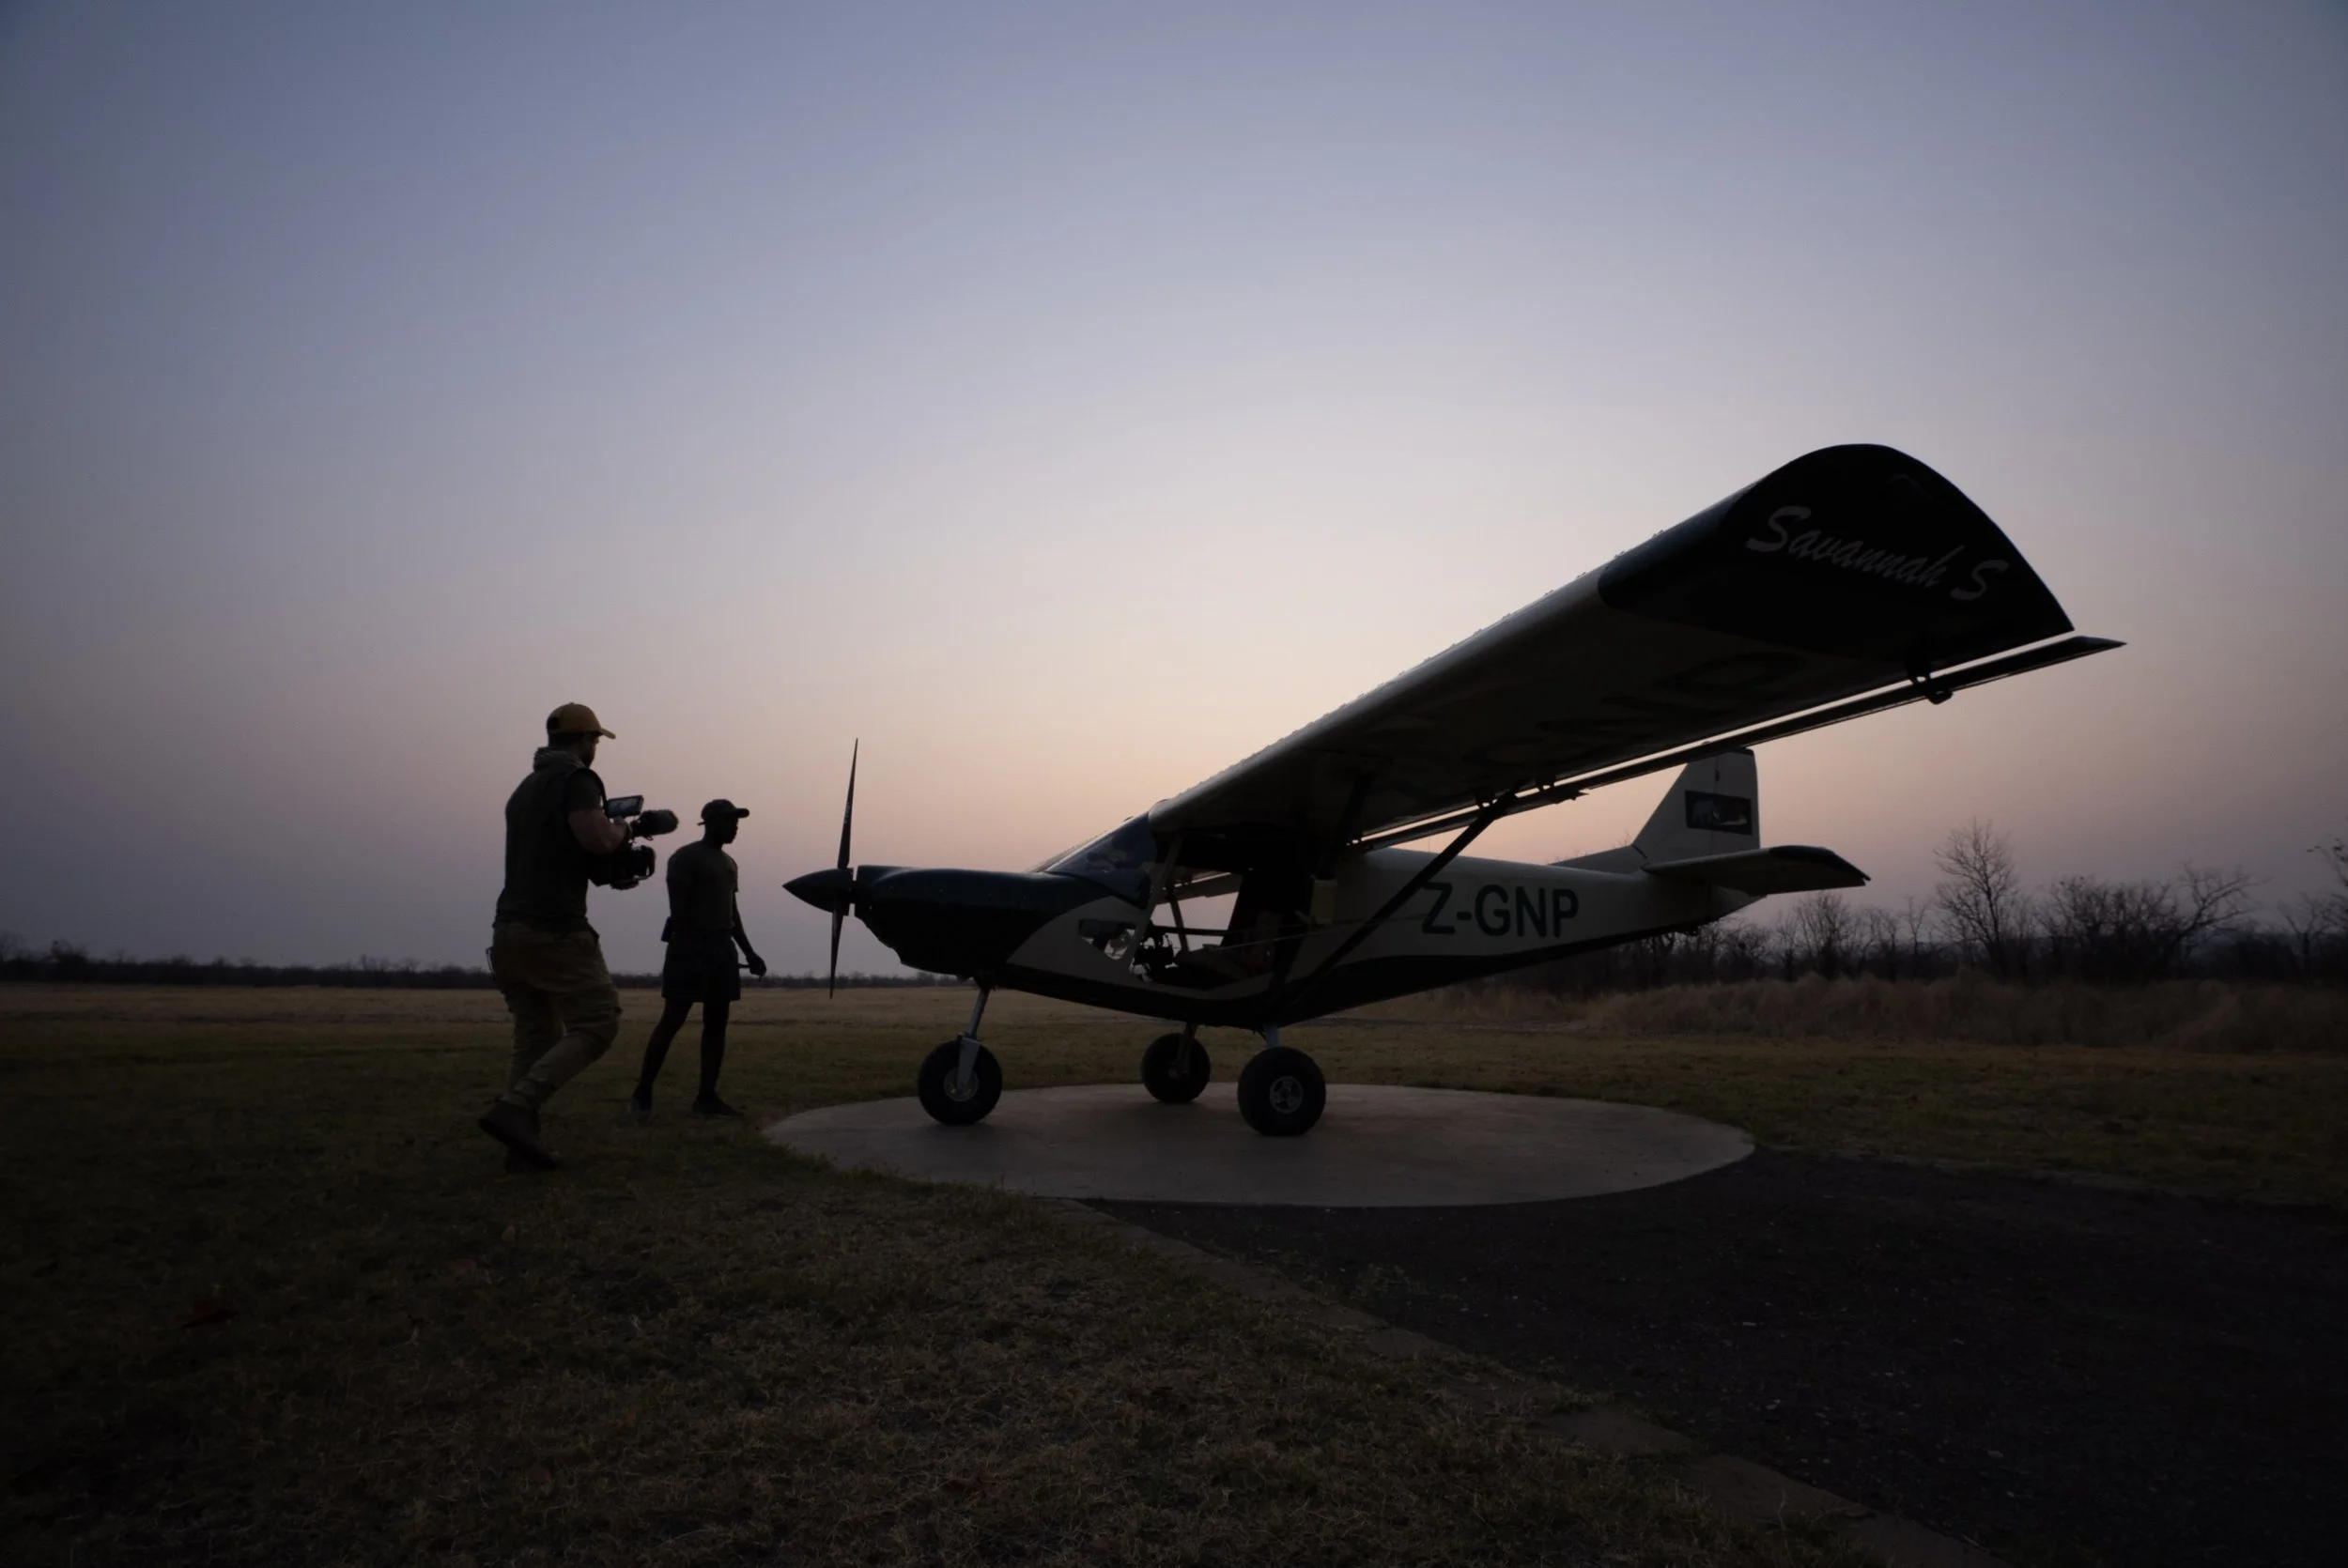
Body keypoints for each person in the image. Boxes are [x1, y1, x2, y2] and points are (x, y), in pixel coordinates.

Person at [477, 702, 656, 1169]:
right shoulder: (577, 780)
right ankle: (514, 1109)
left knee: (535, 1034)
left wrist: (607, 866)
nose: (596, 749)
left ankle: (520, 1144)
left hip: (509, 930)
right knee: (598, 1022)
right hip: (555, 929)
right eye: (595, 741)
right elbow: (596, 839)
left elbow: (566, 851)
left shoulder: (526, 788)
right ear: (584, 742)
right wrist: (623, 828)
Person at [628, 799, 766, 1118]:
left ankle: (706, 1098)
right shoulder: (685, 858)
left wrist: (749, 952)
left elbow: (732, 914)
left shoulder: (730, 863)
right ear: (712, 822)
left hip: (721, 950)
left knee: (717, 1026)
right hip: (690, 948)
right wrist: (694, 946)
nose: (735, 827)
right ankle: (643, 1091)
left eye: (737, 822)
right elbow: (679, 909)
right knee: (672, 1020)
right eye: (730, 821)